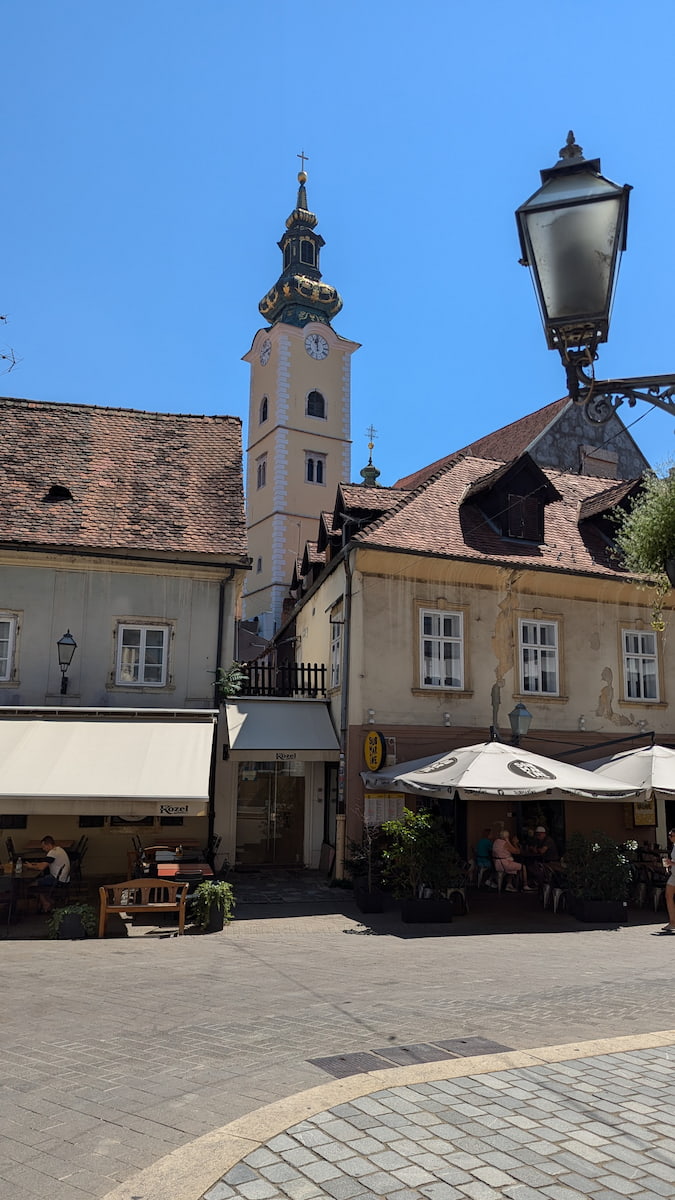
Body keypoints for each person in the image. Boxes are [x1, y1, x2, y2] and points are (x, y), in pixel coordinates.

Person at [24, 836, 70, 914]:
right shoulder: (59, 850)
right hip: (63, 878)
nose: (43, 849)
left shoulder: (52, 852)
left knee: (33, 884)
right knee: (41, 880)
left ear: (48, 845)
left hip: (57, 880)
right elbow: (44, 863)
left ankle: (45, 902)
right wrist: (33, 864)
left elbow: (41, 867)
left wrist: (31, 867)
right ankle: (49, 900)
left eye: (43, 847)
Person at [658, 829, 675, 934]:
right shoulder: (674, 846)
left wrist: (671, 863)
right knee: (668, 896)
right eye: (669, 835)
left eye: (671, 835)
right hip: (674, 875)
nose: (669, 837)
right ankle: (672, 922)